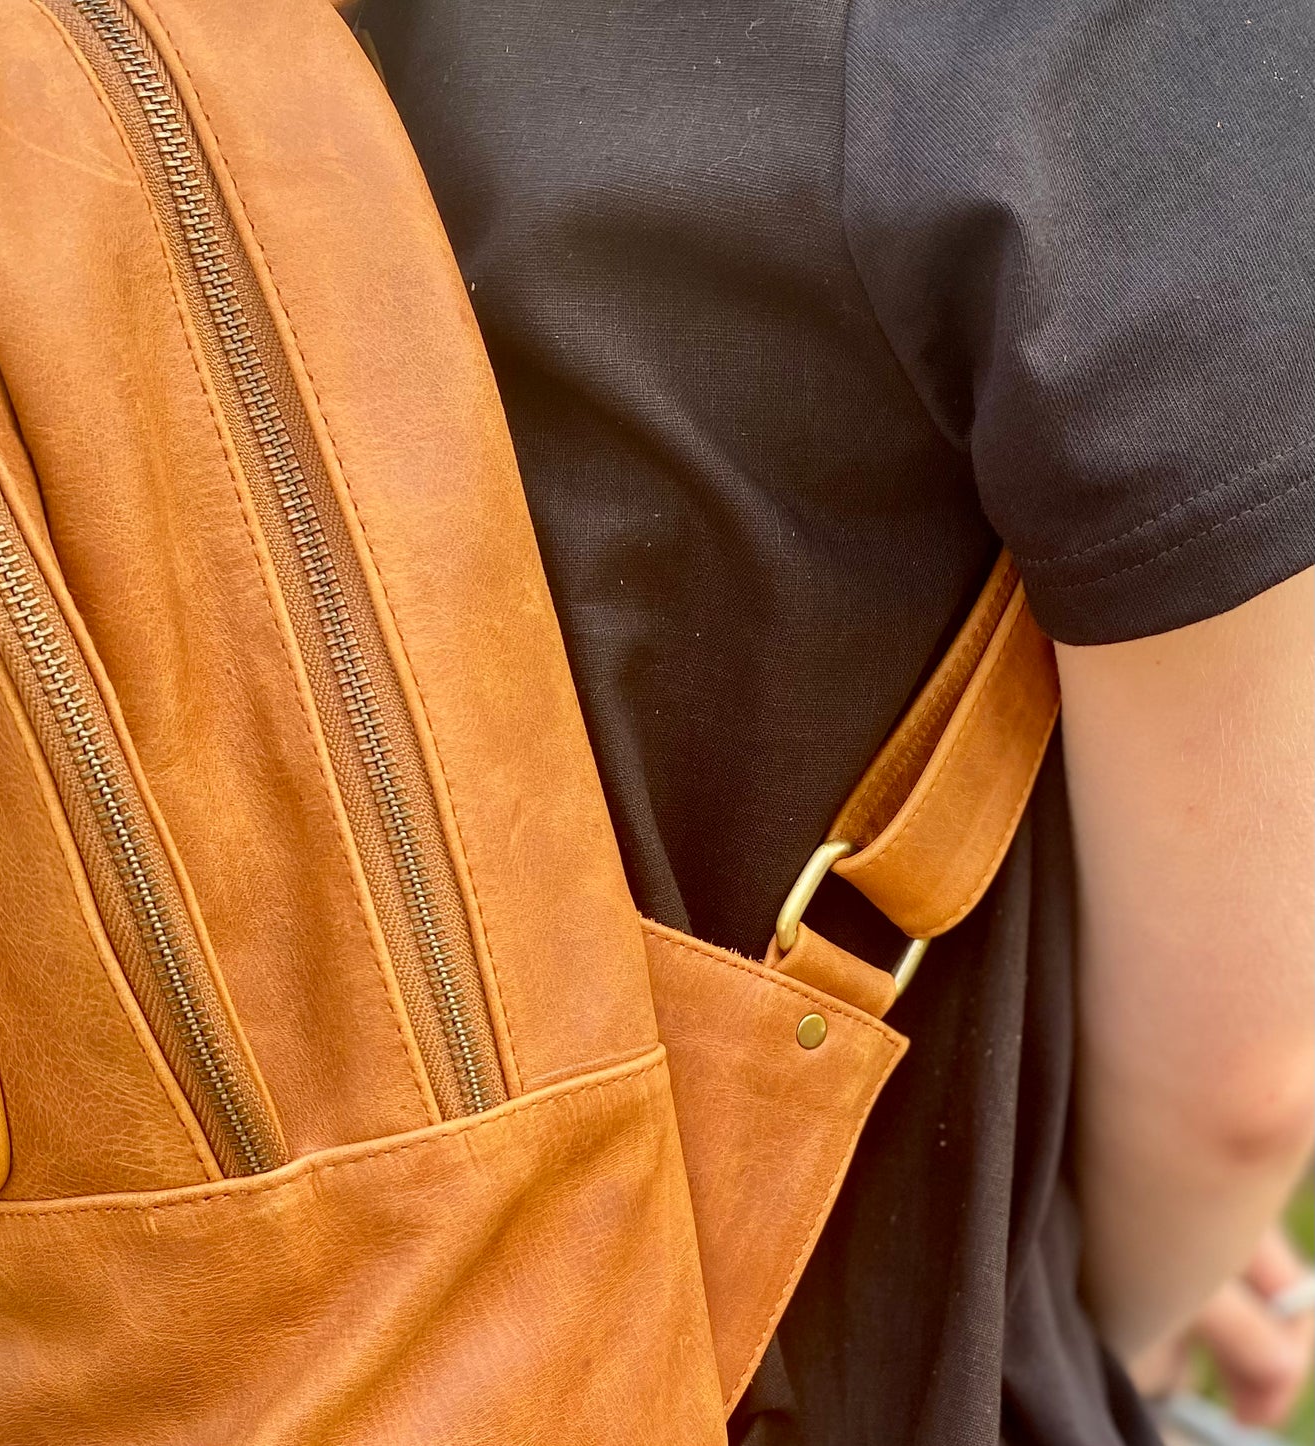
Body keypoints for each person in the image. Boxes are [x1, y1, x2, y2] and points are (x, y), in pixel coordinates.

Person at [355, 2, 1315, 1441]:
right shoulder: (1123, 48)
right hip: (846, 1368)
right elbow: (1238, 1089)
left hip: (209, 1295)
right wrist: (1082, 1305)